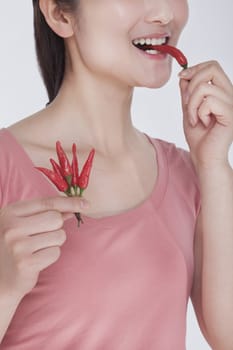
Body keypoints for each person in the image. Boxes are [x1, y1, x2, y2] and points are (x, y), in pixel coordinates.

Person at [0, 0, 232, 349]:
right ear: (59, 13)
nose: (164, 13)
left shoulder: (192, 175)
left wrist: (215, 164)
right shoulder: (5, 165)